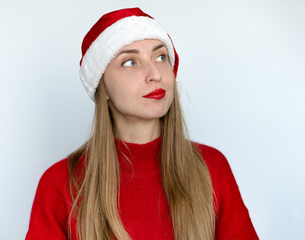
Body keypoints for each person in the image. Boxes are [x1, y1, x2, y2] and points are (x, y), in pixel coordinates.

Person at [26, 7, 258, 240]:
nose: (154, 74)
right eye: (130, 62)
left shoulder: (211, 169)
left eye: (161, 57)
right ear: (102, 85)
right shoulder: (59, 185)